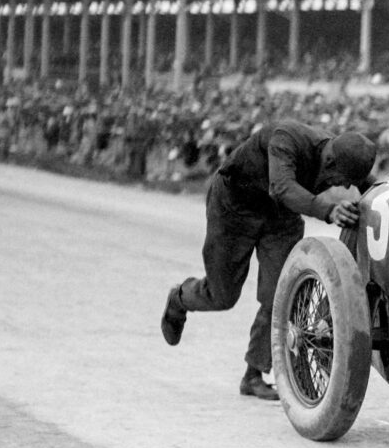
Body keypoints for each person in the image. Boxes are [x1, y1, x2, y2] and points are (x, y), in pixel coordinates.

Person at [160, 121, 377, 400]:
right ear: (330, 159)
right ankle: (180, 299)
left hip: (280, 218)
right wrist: (329, 210)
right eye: (343, 178)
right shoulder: (286, 139)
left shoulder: (343, 155)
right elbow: (283, 187)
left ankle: (253, 374)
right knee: (222, 296)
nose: (345, 185)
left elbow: (373, 187)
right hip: (234, 208)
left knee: (278, 295)